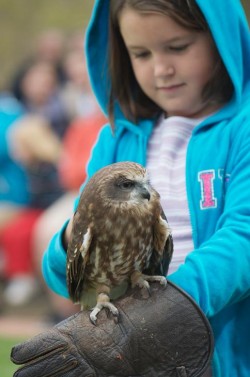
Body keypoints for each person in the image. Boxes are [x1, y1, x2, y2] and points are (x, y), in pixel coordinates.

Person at [11, 0, 250, 376]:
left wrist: (168, 306)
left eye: (178, 47)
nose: (161, 68)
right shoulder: (115, 141)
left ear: (222, 38)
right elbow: (65, 273)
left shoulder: (242, 128)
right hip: (133, 354)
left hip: (229, 350)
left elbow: (245, 235)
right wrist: (72, 241)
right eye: (140, 53)